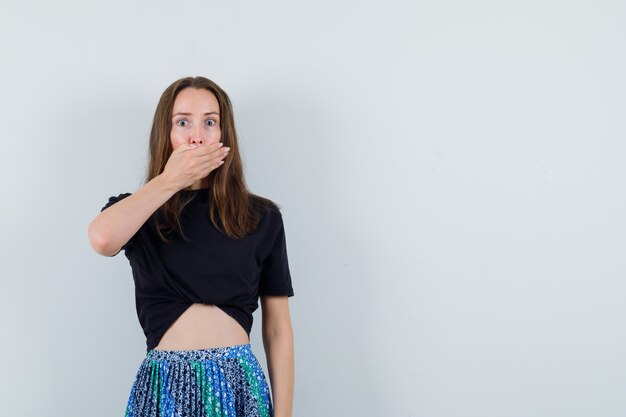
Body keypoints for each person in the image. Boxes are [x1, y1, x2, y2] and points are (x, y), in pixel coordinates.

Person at [87, 76, 295, 417]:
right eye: (182, 122)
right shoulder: (140, 210)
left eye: (209, 122)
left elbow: (278, 328)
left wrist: (284, 415)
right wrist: (170, 180)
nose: (196, 135)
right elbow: (101, 239)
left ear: (224, 134)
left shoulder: (261, 216)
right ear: (165, 135)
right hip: (164, 386)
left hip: (238, 385)